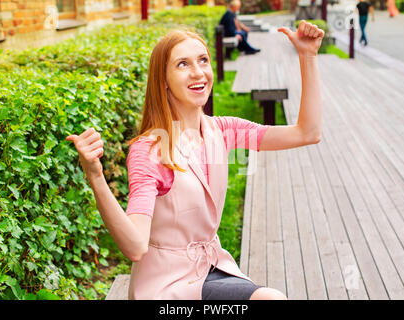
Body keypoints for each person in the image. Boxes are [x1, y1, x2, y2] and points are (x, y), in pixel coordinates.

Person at [66, 20, 324, 300]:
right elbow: (135, 246)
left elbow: (307, 133)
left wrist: (307, 56)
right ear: (163, 80)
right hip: (166, 286)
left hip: (212, 268)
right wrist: (96, 177)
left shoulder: (222, 130)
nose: (198, 72)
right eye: (183, 64)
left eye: (203, 60)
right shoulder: (149, 151)